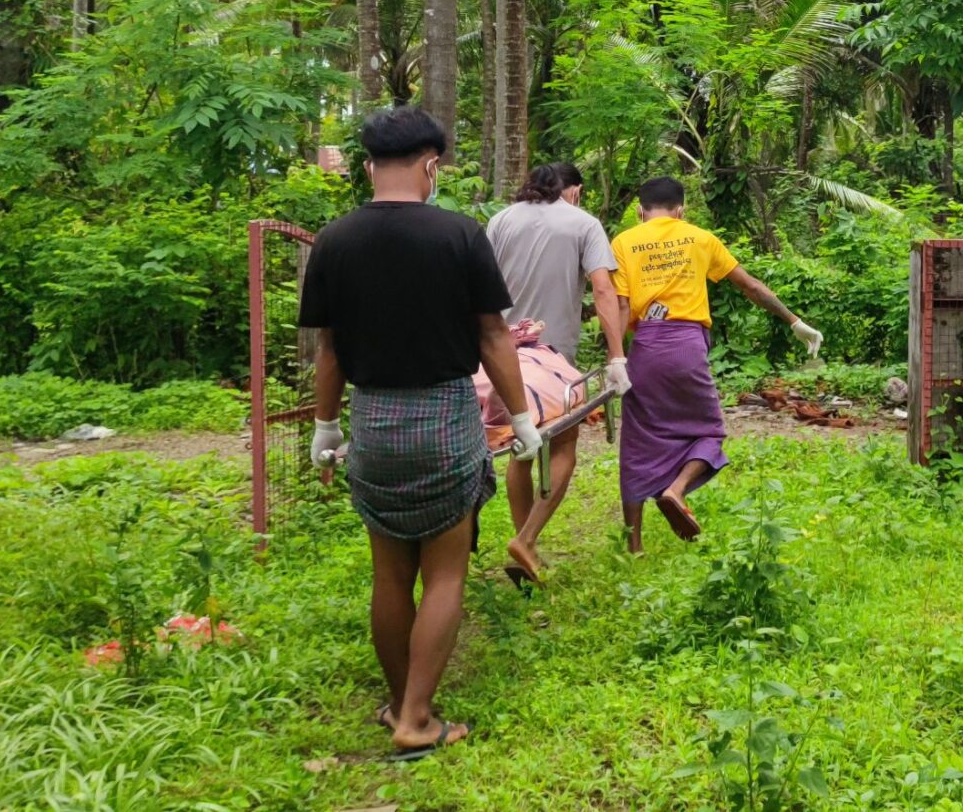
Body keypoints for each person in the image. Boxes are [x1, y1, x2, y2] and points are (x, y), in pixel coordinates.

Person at [300, 106, 541, 762]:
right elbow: (493, 335)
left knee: (389, 574)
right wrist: (522, 420)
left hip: (374, 420)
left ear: (371, 166)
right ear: (431, 165)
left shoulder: (335, 241)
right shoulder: (460, 235)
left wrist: (325, 426)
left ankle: (401, 700)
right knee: (444, 573)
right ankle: (416, 718)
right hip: (443, 417)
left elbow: (330, 348)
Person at [609, 176, 821, 553]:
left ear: (640, 211)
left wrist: (617, 356)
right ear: (682, 209)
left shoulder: (624, 242)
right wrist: (794, 321)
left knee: (636, 444)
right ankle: (675, 490)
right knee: (709, 433)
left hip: (644, 347)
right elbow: (750, 286)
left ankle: (634, 547)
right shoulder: (700, 238)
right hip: (688, 347)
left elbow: (621, 306)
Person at [482, 160, 628, 586]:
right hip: (551, 357)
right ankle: (526, 539)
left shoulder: (501, 221)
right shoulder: (583, 223)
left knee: (519, 445)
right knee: (564, 441)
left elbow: (481, 286)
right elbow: (604, 288)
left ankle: (523, 541)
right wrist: (616, 357)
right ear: (575, 191)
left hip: (501, 353)